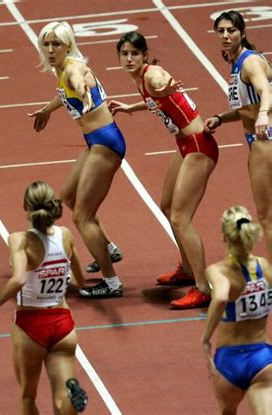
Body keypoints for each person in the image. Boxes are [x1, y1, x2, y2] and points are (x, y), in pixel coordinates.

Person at [110, 31, 218, 309]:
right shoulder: (140, 79)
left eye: (135, 53)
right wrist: (129, 108)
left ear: (145, 55)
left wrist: (167, 85)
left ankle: (203, 288)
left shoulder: (151, 75)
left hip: (198, 146)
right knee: (167, 207)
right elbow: (156, 101)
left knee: (181, 218)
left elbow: (161, 84)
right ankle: (188, 270)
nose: (129, 58)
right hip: (184, 145)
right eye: (124, 54)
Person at [28, 21, 124, 299]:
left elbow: (79, 81)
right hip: (95, 141)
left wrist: (84, 91)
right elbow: (64, 94)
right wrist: (46, 110)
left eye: (55, 44)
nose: (50, 49)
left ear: (68, 45)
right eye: (45, 44)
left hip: (106, 143)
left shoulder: (72, 68)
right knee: (68, 196)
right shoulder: (61, 71)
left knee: (83, 217)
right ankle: (109, 249)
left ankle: (112, 283)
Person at [0, 181, 88, 414]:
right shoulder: (66, 235)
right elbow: (80, 280)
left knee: (28, 396)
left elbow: (18, 279)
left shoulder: (19, 239)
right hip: (63, 326)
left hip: (31, 327)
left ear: (25, 207)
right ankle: (70, 394)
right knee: (61, 398)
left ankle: (69, 395)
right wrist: (57, 276)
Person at [205, 10, 272, 263]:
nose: (225, 35)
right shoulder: (238, 62)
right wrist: (222, 118)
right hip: (260, 142)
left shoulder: (249, 62)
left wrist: (264, 114)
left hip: (266, 141)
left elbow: (265, 91)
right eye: (220, 31)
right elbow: (248, 108)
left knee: (267, 217)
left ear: (242, 33)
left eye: (231, 30)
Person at [201, 205, 272, 414]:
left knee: (227, 410)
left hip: (229, 362)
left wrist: (205, 339)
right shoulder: (264, 266)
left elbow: (222, 296)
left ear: (225, 237)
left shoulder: (217, 270)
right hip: (262, 359)